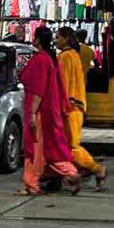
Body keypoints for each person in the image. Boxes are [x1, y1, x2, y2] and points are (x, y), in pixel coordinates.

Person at [17, 26, 82, 196]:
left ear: (37, 40)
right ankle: (68, 174)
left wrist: (32, 113)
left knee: (35, 150)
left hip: (40, 112)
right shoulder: (51, 59)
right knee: (48, 149)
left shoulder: (41, 60)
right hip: (50, 110)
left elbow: (38, 89)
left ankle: (32, 184)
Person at [56, 27, 107, 191]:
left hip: (69, 106)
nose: (55, 41)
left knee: (72, 146)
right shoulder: (77, 55)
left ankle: (96, 169)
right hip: (78, 103)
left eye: (58, 37)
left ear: (66, 39)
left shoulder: (64, 57)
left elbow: (63, 84)